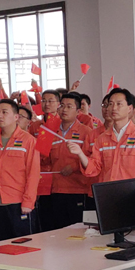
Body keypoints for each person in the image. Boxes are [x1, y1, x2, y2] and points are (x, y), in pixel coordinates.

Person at [68, 88, 135, 182]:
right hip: (107, 189)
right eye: (111, 104)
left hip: (133, 190)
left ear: (130, 108)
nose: (114, 108)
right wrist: (80, 153)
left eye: (119, 104)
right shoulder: (102, 138)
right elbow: (94, 168)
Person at [0, 99, 41, 244]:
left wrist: (28, 202)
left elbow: (33, 174)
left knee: (24, 247)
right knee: (2, 245)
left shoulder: (28, 141)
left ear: (16, 117)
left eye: (4, 112)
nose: (0, 116)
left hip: (19, 203)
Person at [44, 92, 94, 231]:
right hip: (56, 189)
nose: (64, 109)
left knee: (78, 231)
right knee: (59, 230)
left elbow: (92, 158)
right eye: (62, 106)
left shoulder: (86, 132)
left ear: (78, 111)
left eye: (69, 106)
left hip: (77, 189)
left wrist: (74, 167)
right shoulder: (51, 131)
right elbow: (45, 159)